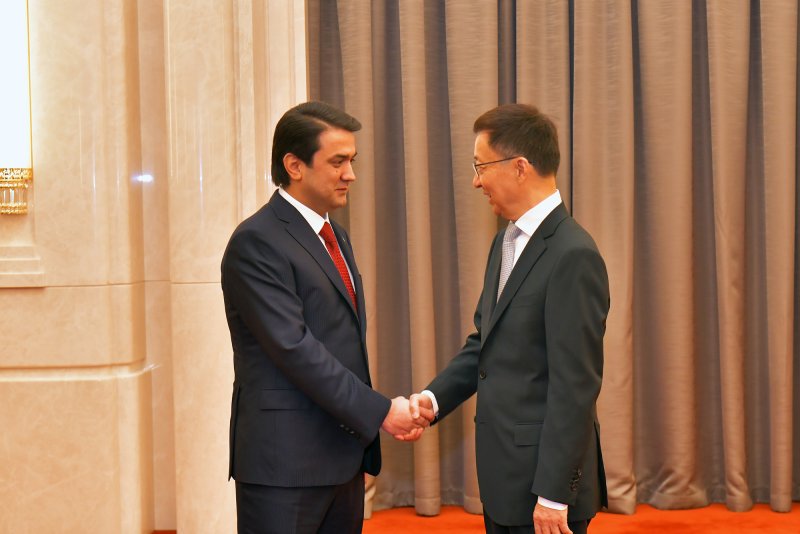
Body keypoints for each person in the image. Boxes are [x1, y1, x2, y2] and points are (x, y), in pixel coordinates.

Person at [221, 101, 429, 534]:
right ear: (294, 165)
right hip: (284, 467)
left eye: (352, 161)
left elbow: (341, 342)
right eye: (338, 162)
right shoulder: (256, 242)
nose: (350, 174)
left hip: (341, 459)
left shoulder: (335, 235)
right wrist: (381, 412)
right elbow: (294, 349)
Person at [410, 103, 610, 534]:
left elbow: (575, 385)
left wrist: (553, 494)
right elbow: (486, 343)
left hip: (545, 491)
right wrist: (432, 399)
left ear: (520, 167)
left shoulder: (573, 254)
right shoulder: (505, 242)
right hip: (504, 480)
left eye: (481, 167)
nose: (475, 181)